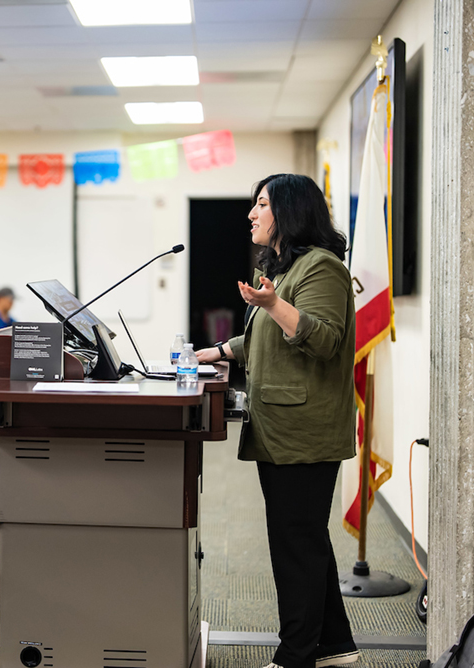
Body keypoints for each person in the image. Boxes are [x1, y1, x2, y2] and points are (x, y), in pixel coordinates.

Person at [195, 174, 358, 668]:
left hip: (305, 432)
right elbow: (265, 336)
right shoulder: (289, 270)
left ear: (289, 211)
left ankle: (295, 656)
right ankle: (333, 645)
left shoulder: (322, 269)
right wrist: (217, 350)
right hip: (284, 429)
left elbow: (325, 339)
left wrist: (274, 304)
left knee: (295, 547)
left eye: (261, 204)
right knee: (305, 539)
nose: (251, 214)